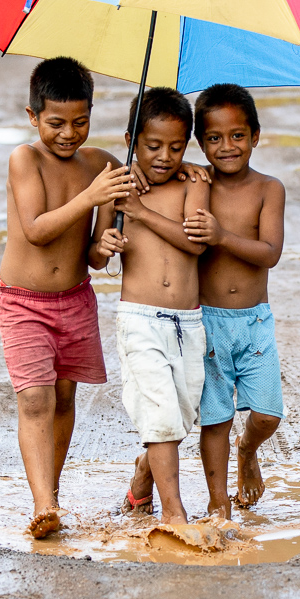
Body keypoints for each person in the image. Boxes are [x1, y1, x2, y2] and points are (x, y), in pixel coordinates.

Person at [0, 56, 132, 538]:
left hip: (75, 299)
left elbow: (95, 256)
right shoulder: (24, 159)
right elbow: (35, 229)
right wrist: (91, 197)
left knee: (63, 397)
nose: (68, 134)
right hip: (22, 302)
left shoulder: (101, 166)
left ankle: (48, 495)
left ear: (92, 113)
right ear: (33, 117)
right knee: (34, 397)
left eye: (80, 121)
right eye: (55, 123)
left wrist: (107, 239)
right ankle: (43, 503)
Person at [90, 87, 209, 526]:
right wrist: (105, 243)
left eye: (176, 147)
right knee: (160, 418)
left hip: (188, 323)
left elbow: (195, 245)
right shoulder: (116, 186)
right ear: (130, 140)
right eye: (152, 146)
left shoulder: (192, 184)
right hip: (139, 319)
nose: (164, 157)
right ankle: (175, 515)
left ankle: (143, 475)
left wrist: (139, 212)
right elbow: (97, 256)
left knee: (179, 418)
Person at [183, 84, 286, 517]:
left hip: (254, 322)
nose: (227, 147)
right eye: (213, 138)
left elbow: (270, 253)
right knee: (215, 418)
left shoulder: (268, 189)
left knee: (266, 415)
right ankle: (217, 503)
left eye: (238, 135)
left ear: (256, 136)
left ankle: (248, 451)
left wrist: (222, 237)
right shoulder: (196, 183)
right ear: (200, 142)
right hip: (207, 321)